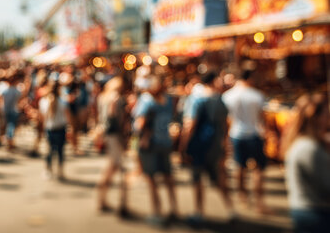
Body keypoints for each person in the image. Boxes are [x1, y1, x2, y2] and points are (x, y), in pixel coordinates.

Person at [179, 72, 235, 224]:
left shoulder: (196, 99)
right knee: (218, 179)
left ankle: (199, 212)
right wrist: (224, 143)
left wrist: (183, 146)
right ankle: (230, 209)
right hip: (215, 145)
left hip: (198, 145)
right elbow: (226, 124)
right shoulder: (219, 99)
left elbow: (190, 124)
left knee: (197, 179)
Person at [133, 75, 179, 226]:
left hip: (150, 144)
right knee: (168, 177)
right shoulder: (167, 101)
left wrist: (138, 135)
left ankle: (157, 212)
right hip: (165, 142)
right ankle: (174, 208)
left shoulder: (146, 101)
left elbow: (139, 125)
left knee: (151, 179)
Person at [222, 69, 269, 213]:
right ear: (250, 78)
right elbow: (262, 118)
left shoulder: (227, 96)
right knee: (258, 169)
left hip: (236, 134)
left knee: (239, 166)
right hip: (255, 134)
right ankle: (259, 202)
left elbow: (226, 120)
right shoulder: (257, 95)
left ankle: (242, 198)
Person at [283, 94, 330, 233]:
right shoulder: (310, 148)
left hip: (306, 211)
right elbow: (326, 187)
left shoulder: (304, 143)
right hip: (315, 214)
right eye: (327, 114)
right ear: (316, 117)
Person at [96, 77, 131, 218]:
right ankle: (120, 202)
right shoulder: (115, 98)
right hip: (115, 135)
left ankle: (104, 199)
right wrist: (123, 136)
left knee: (113, 166)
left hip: (108, 134)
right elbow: (114, 118)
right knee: (116, 167)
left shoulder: (103, 97)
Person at [39, 79, 70, 180]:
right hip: (61, 128)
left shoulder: (44, 101)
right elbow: (67, 116)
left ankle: (48, 170)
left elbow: (43, 117)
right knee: (60, 151)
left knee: (49, 151)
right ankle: (60, 171)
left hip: (50, 129)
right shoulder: (63, 101)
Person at [1, 73, 23, 151]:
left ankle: (9, 142)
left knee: (8, 125)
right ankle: (10, 142)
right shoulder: (16, 91)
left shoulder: (5, 90)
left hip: (6, 110)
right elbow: (20, 99)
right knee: (11, 126)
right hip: (13, 110)